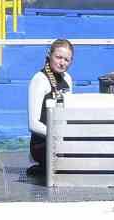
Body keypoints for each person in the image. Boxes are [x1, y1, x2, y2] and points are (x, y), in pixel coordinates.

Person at [27, 39, 74, 177]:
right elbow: (33, 124)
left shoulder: (67, 78)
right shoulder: (40, 80)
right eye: (58, 57)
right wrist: (57, 135)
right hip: (43, 143)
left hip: (62, 140)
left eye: (67, 60)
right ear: (49, 55)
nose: (62, 62)